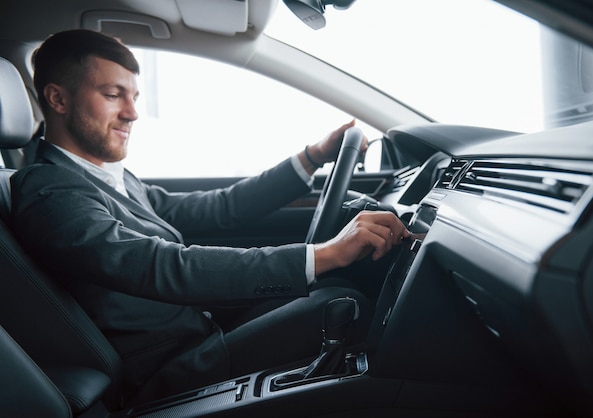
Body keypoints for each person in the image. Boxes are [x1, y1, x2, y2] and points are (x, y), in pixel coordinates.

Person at [10, 29, 410, 405]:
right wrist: (323, 254)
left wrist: (312, 157)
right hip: (165, 371)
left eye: (133, 96)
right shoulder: (49, 191)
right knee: (343, 303)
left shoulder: (109, 178)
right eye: (114, 94)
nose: (132, 113)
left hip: (198, 333)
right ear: (58, 100)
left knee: (334, 292)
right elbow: (160, 265)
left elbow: (219, 207)